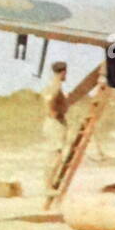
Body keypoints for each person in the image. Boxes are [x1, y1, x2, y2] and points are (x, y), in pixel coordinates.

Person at [42, 61, 70, 191]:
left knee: (55, 155)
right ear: (63, 72)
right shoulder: (56, 85)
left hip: (54, 122)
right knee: (55, 156)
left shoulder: (52, 84)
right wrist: (53, 110)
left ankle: (49, 184)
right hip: (55, 123)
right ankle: (48, 186)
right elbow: (50, 98)